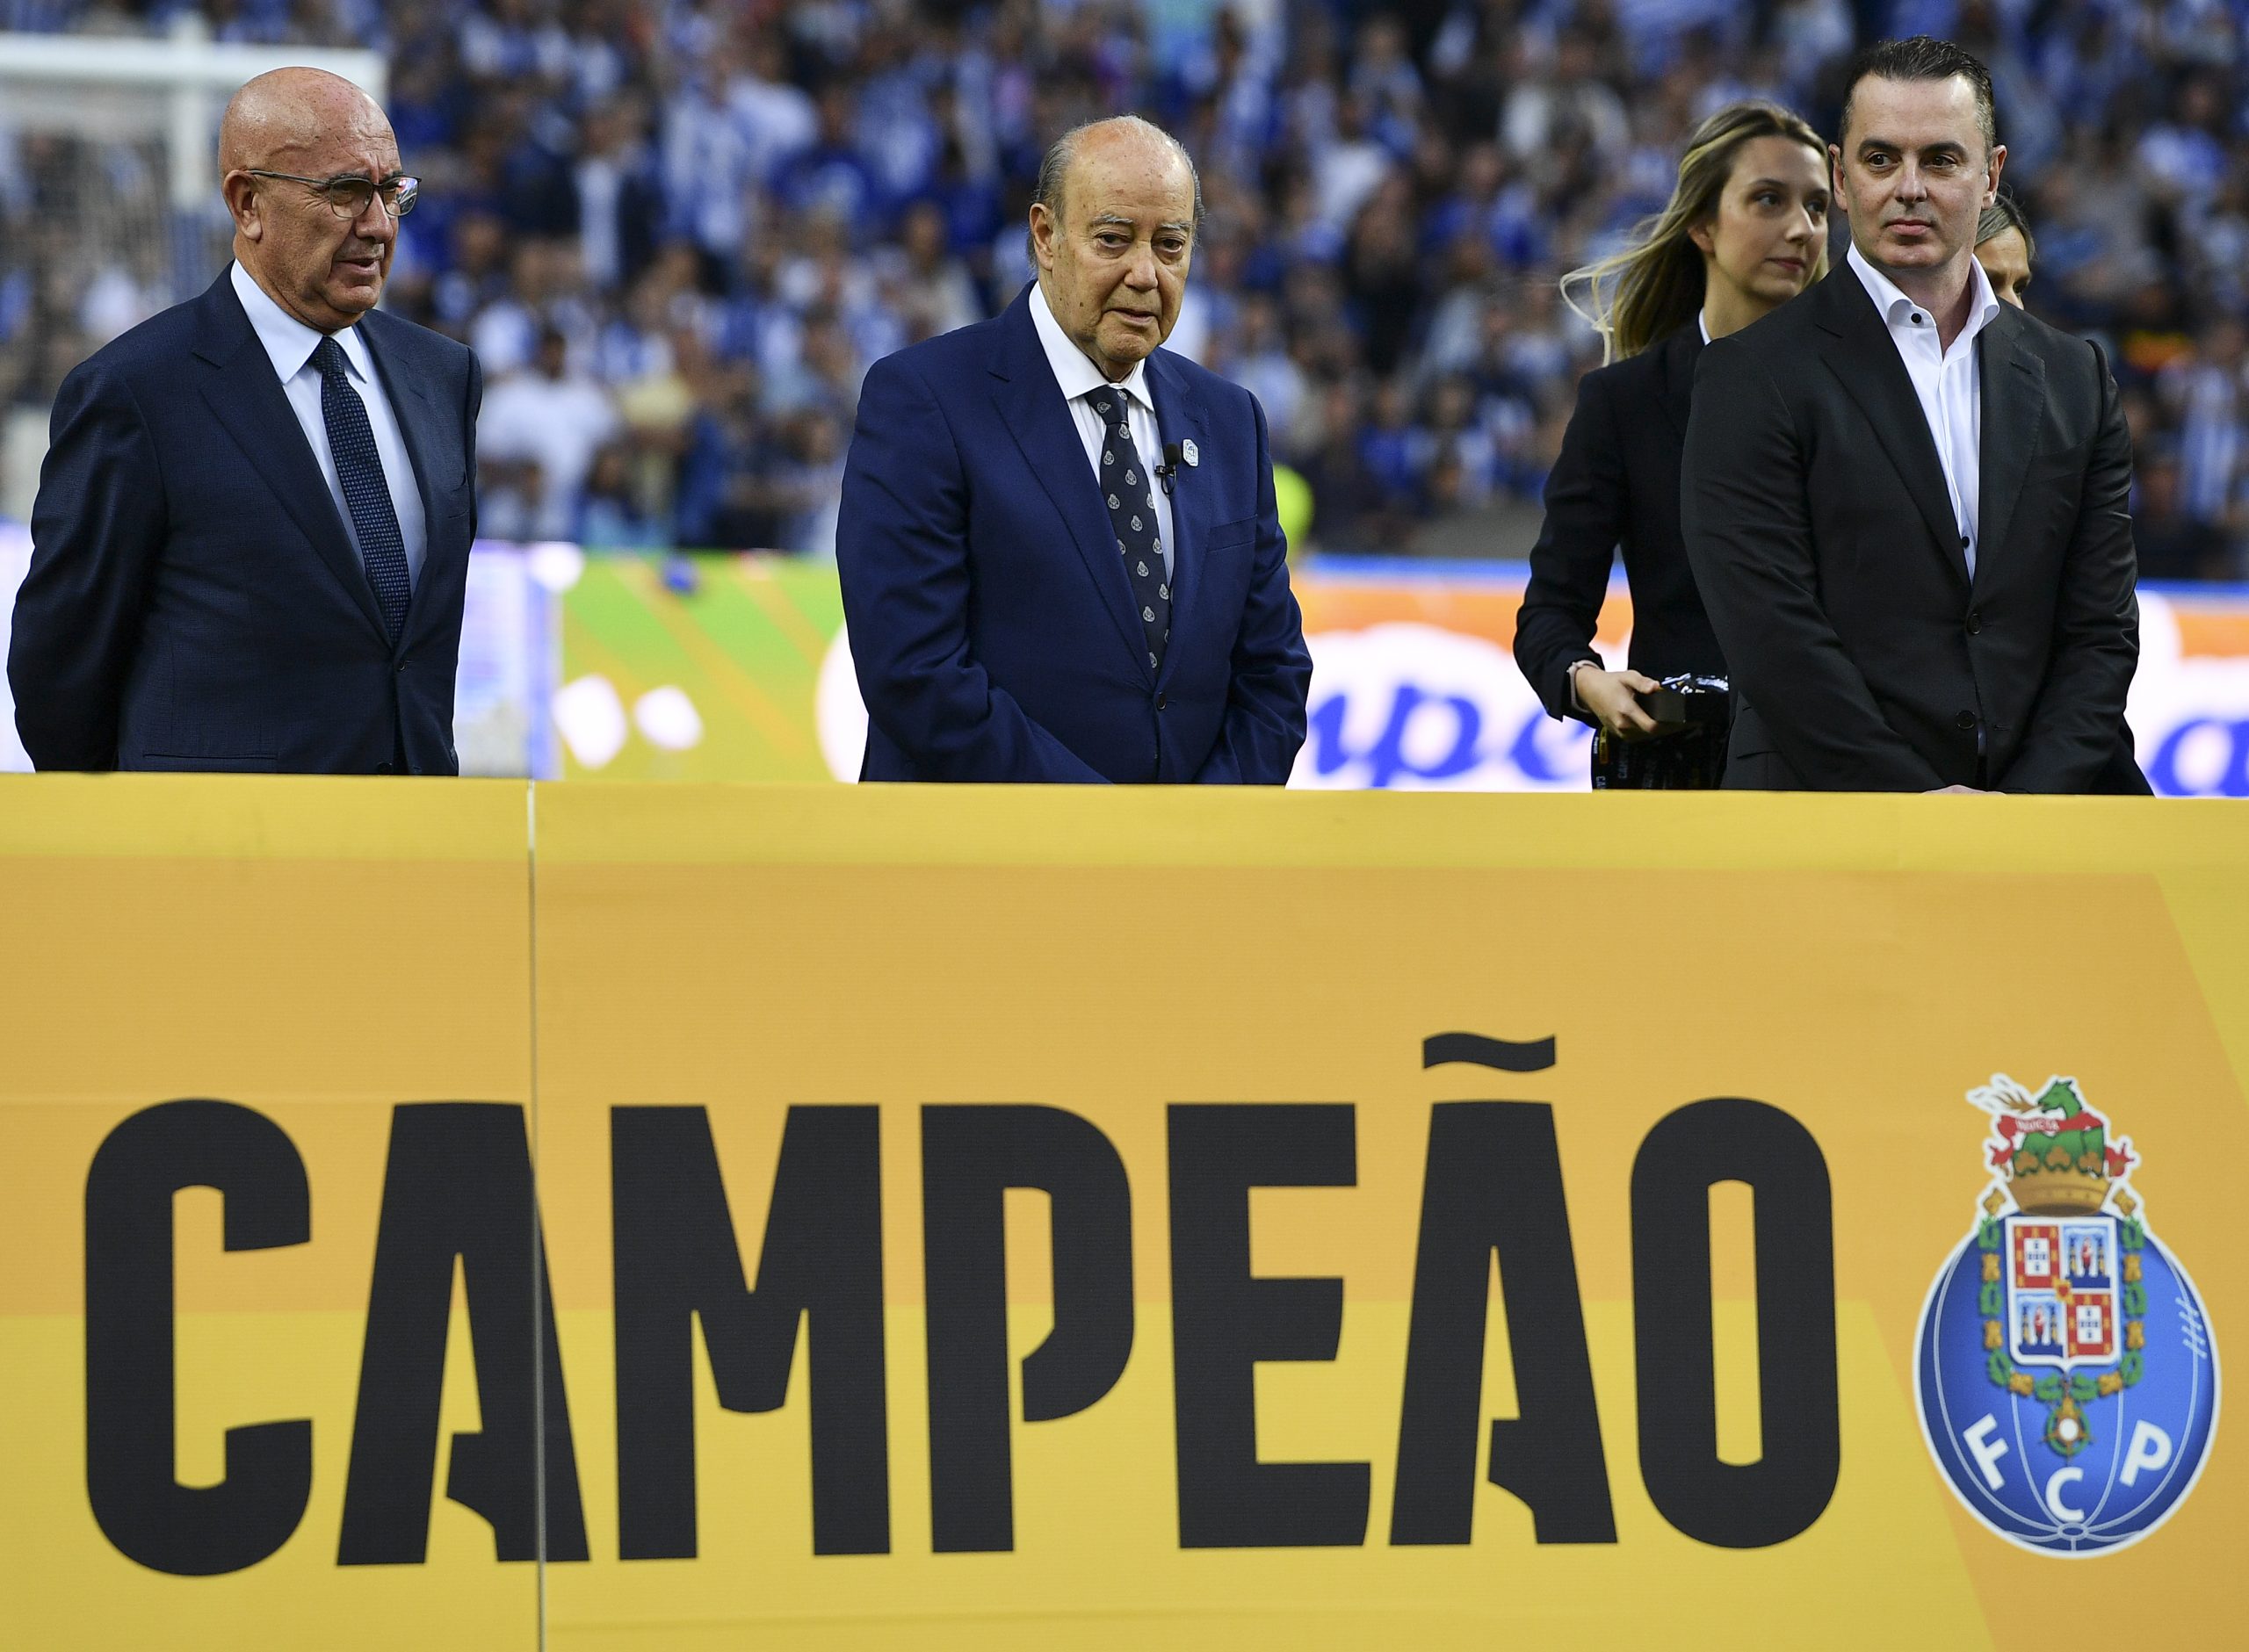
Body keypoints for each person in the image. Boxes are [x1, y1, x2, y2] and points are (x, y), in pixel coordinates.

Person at [1682, 38, 2137, 792]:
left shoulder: (2075, 376)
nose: (1909, 188)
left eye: (1941, 160)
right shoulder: (1748, 373)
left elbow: (2102, 631)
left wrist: (2024, 809)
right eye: (1881, 159)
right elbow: (1772, 635)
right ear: (1839, 173)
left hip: (2043, 830)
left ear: (1990, 175)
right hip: (1826, 827)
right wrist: (1921, 808)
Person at [10, 69, 479, 775]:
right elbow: (60, 677)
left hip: (412, 852)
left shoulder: (443, 377)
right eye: (346, 193)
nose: (379, 226)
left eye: (391, 192)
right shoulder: (135, 393)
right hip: (222, 863)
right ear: (247, 202)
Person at [835, 116, 1310, 783]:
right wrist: (1103, 829)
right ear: (1045, 236)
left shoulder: (1232, 422)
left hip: (1184, 868)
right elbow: (915, 673)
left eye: (1170, 245)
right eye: (1114, 240)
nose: (1145, 274)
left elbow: (1274, 674)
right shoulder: (923, 399)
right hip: (983, 868)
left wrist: (1200, 828)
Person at [1515, 102, 1831, 776]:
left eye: (1818, 207)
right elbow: (1549, 613)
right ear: (1703, 225)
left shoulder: (1865, 397)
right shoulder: (1622, 403)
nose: (1802, 228)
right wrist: (1586, 680)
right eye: (1769, 200)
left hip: (1832, 779)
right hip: (1682, 777)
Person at [1973, 193, 2154, 795]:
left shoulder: (2074, 398)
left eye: (2020, 283)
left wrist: (2026, 803)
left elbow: (2103, 633)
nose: (2012, 306)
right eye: (1990, 281)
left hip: (2067, 781)